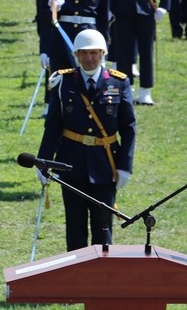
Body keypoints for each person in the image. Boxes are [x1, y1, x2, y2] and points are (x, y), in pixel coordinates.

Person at [37, 28, 135, 251]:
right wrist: (44, 162)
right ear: (76, 55)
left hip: (106, 164)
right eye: (83, 53)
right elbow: (53, 125)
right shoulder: (63, 82)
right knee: (75, 226)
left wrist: (125, 167)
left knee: (103, 227)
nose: (89, 58)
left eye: (94, 53)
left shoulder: (119, 83)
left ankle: (103, 277)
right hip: (71, 164)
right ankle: (77, 279)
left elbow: (128, 128)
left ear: (103, 54)